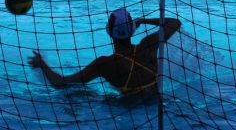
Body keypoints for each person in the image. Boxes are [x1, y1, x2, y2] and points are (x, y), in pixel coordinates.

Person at [28, 8, 181, 98]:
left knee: (79, 94)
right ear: (133, 30)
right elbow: (175, 23)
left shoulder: (104, 64)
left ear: (109, 32)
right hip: (157, 100)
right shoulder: (148, 46)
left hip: (129, 107)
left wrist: (42, 64)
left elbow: (60, 83)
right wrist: (143, 20)